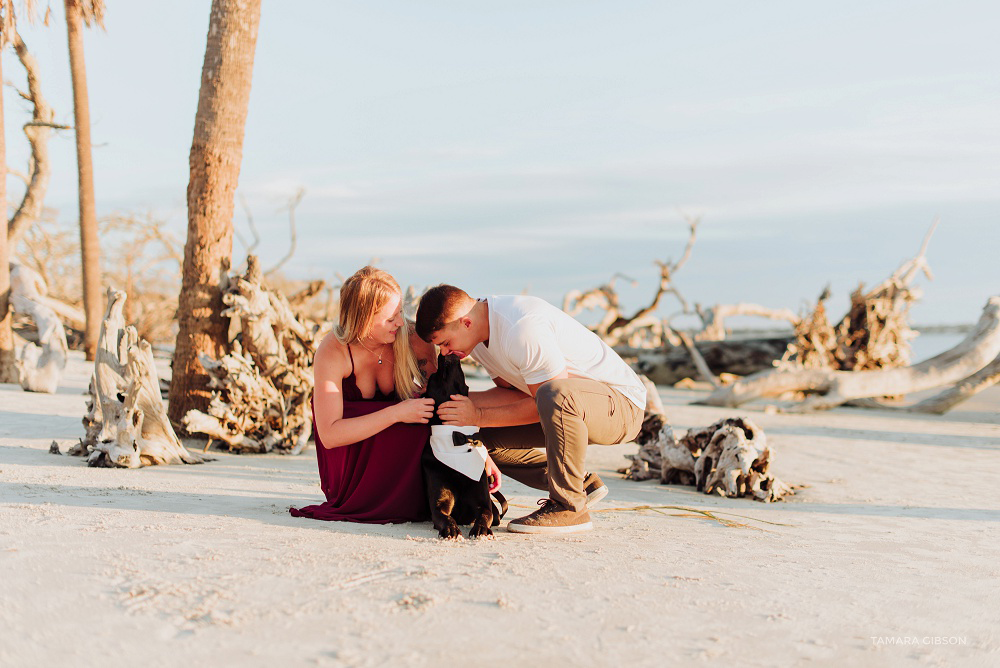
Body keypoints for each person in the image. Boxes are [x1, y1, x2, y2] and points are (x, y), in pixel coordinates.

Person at [415, 286, 646, 534]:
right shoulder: (478, 339)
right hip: (566, 407)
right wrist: (456, 403)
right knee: (476, 441)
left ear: (466, 322)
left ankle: (569, 506)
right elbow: (514, 395)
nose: (446, 353)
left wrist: (478, 414)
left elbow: (550, 400)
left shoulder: (521, 328)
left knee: (554, 394)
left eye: (446, 343)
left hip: (621, 406)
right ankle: (581, 485)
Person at [289, 266, 438, 524]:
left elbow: (441, 402)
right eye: (390, 318)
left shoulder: (413, 339)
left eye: (400, 312)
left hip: (399, 457)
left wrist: (478, 454)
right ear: (364, 318)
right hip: (351, 466)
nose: (401, 323)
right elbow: (330, 435)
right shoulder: (334, 351)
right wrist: (397, 413)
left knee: (424, 422)